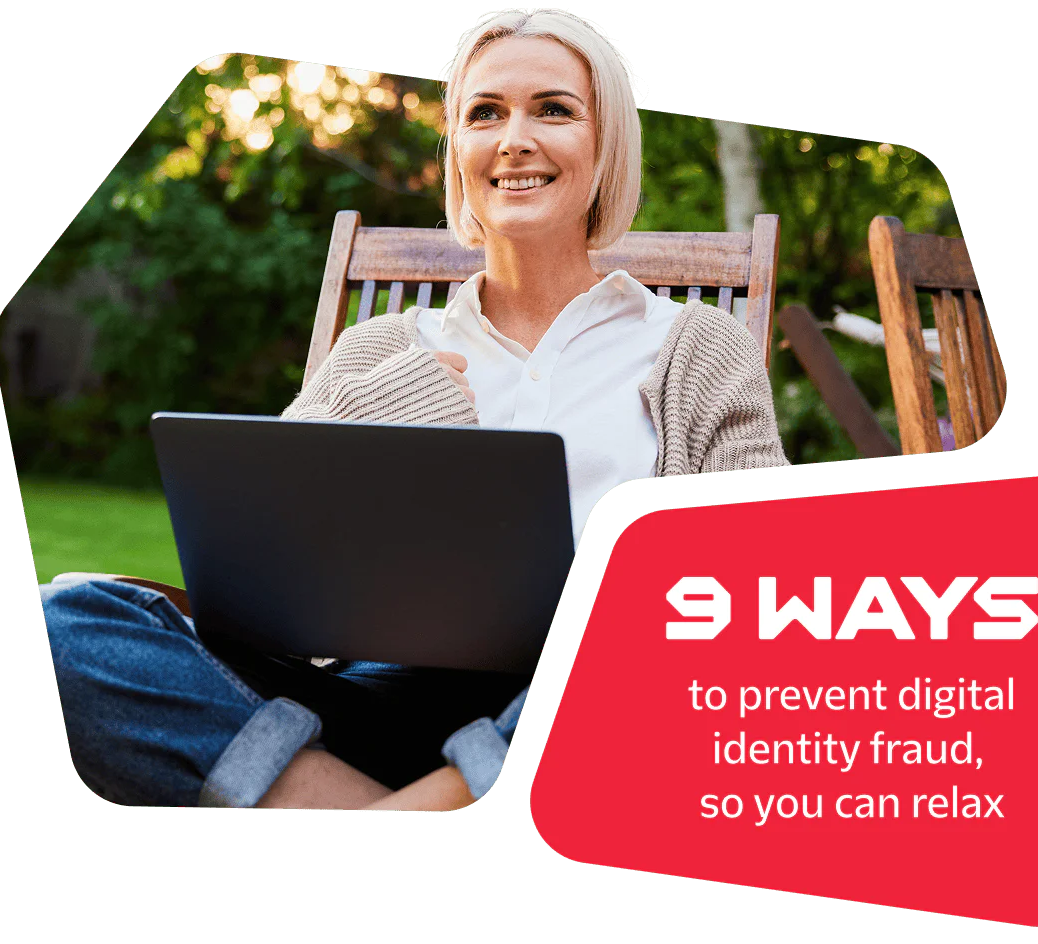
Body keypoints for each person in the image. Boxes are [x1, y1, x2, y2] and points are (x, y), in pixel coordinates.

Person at [39, 9, 788, 812]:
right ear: (458, 152)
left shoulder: (696, 347)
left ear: (606, 147)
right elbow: (254, 568)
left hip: (585, 700)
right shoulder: (381, 346)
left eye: (555, 110)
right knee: (60, 623)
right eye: (485, 113)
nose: (515, 138)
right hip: (369, 702)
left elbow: (761, 584)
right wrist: (385, 406)